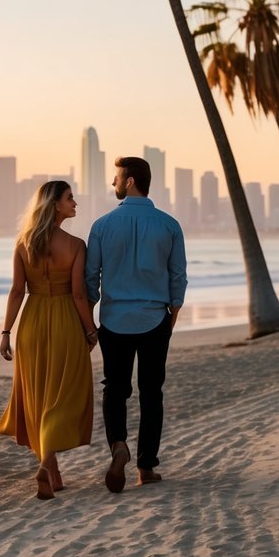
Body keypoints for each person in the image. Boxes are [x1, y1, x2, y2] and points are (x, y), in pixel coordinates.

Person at [85, 155, 187, 492]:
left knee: (115, 390)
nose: (113, 183)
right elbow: (178, 278)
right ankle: (145, 467)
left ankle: (119, 447)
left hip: (114, 321)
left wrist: (91, 317)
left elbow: (90, 280)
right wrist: (171, 316)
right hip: (155, 318)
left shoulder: (101, 226)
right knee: (151, 393)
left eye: (116, 177)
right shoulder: (169, 225)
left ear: (130, 181)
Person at [0, 180, 97, 499]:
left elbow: (16, 292)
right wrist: (91, 330)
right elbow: (79, 294)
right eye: (69, 198)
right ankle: (45, 470)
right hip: (65, 321)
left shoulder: (23, 243)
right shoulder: (76, 245)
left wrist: (6, 332)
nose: (75, 203)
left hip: (31, 323)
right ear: (54, 205)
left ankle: (52, 473)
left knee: (38, 397)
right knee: (64, 396)